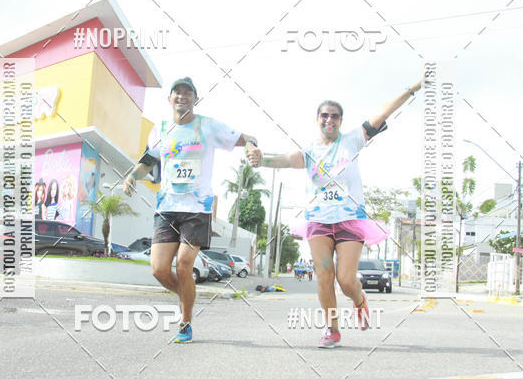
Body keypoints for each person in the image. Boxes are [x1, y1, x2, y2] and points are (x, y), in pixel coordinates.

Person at [247, 76, 424, 348]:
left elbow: (385, 112)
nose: (329, 120)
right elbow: (283, 159)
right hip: (318, 221)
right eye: (324, 115)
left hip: (350, 221)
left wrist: (414, 87)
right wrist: (261, 159)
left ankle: (359, 300)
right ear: (317, 119)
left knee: (346, 280)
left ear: (341, 121)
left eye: (335, 116)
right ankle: (332, 329)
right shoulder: (309, 151)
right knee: (324, 275)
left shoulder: (353, 140)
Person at [123, 77, 258, 344]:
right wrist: (131, 176)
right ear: (170, 98)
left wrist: (252, 146)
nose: (182, 96)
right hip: (167, 208)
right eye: (177, 92)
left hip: (197, 208)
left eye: (188, 93)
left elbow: (247, 138)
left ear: (196, 99)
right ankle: (187, 294)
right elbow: (149, 160)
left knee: (184, 265)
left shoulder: (208, 126)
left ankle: (185, 322)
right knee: (158, 269)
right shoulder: (160, 129)